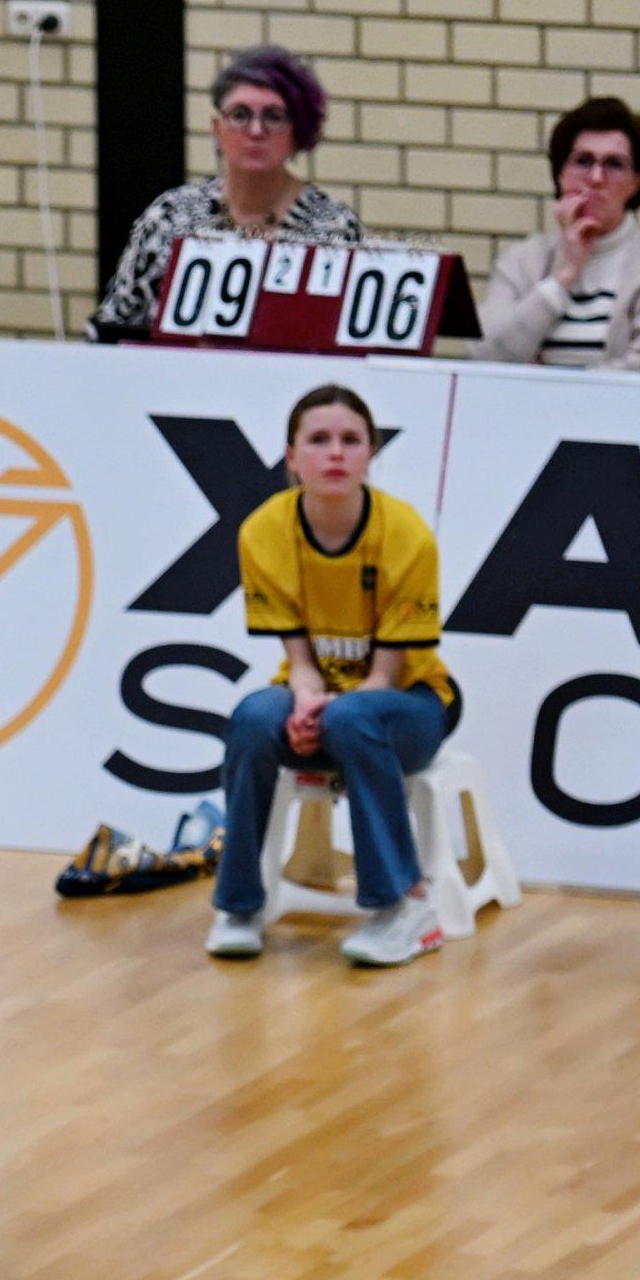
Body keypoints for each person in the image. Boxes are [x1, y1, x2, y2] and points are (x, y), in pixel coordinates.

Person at [205, 385, 459, 969]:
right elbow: (300, 662)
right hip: (324, 700)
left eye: (351, 440)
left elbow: (386, 676)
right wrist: (304, 704)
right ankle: (239, 906)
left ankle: (404, 907)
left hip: (409, 704)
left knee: (352, 716)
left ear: (371, 453)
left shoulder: (406, 534)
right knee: (252, 719)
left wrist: (324, 719)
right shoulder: (263, 531)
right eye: (319, 440)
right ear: (292, 456)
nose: (336, 453)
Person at [90, 45, 363, 341]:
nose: (256, 130)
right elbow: (112, 329)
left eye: (274, 117)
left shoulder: (334, 227)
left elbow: (354, 340)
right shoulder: (170, 217)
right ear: (217, 129)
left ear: (299, 131)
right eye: (240, 114)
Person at [475, 95, 640, 374]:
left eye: (614, 164)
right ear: (560, 173)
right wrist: (563, 277)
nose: (596, 178)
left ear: (636, 182)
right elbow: (485, 354)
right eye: (583, 161)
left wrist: (552, 383)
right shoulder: (522, 260)